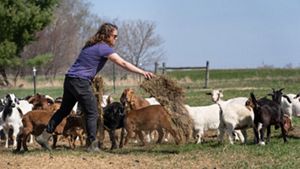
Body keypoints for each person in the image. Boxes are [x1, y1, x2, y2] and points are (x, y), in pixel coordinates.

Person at [35, 23, 155, 152]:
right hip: (81, 81)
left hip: (70, 80)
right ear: (107, 35)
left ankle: (44, 136)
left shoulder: (90, 45)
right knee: (93, 112)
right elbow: (123, 63)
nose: (116, 38)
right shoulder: (103, 48)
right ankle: (93, 145)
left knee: (63, 110)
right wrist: (143, 72)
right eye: (114, 36)